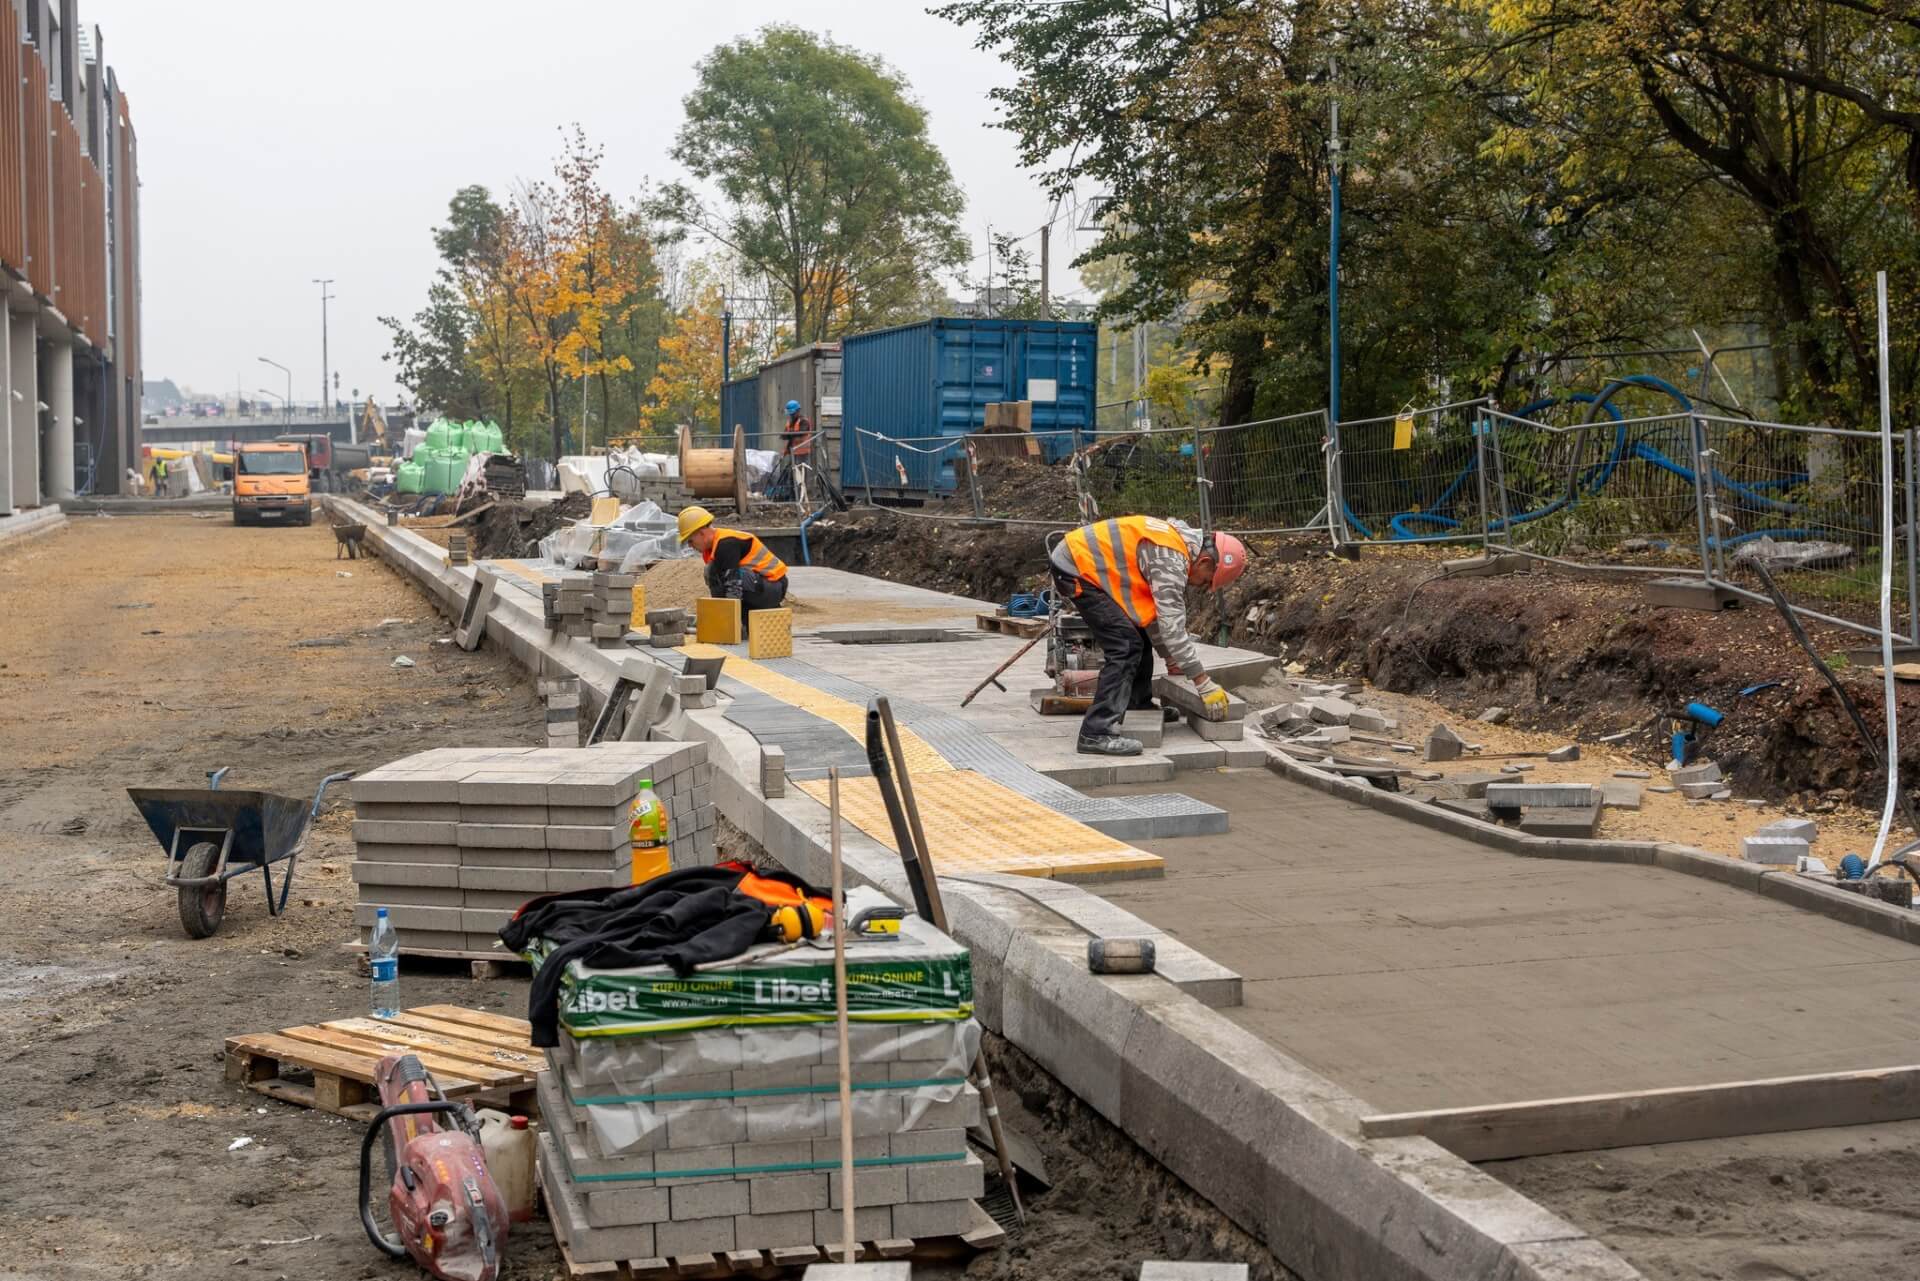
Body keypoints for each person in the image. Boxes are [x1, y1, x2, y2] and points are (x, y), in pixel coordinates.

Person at [1049, 515, 1248, 756]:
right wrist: (1202, 682)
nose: (1201, 586)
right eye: (1207, 580)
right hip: (1076, 567)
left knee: (1136, 632)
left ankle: (1136, 703)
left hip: (1083, 561)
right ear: (1205, 561)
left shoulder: (1179, 543)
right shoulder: (1170, 562)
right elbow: (1171, 628)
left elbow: (1153, 616)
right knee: (1124, 646)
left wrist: (1172, 658)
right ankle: (1096, 733)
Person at [677, 504, 789, 631]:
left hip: (774, 587)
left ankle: (739, 620)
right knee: (713, 572)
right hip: (760, 585)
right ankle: (746, 619)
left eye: (690, 541)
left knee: (733, 577)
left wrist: (727, 625)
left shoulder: (726, 544)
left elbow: (733, 587)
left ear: (702, 533)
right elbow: (719, 589)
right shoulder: (712, 549)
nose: (690, 546)